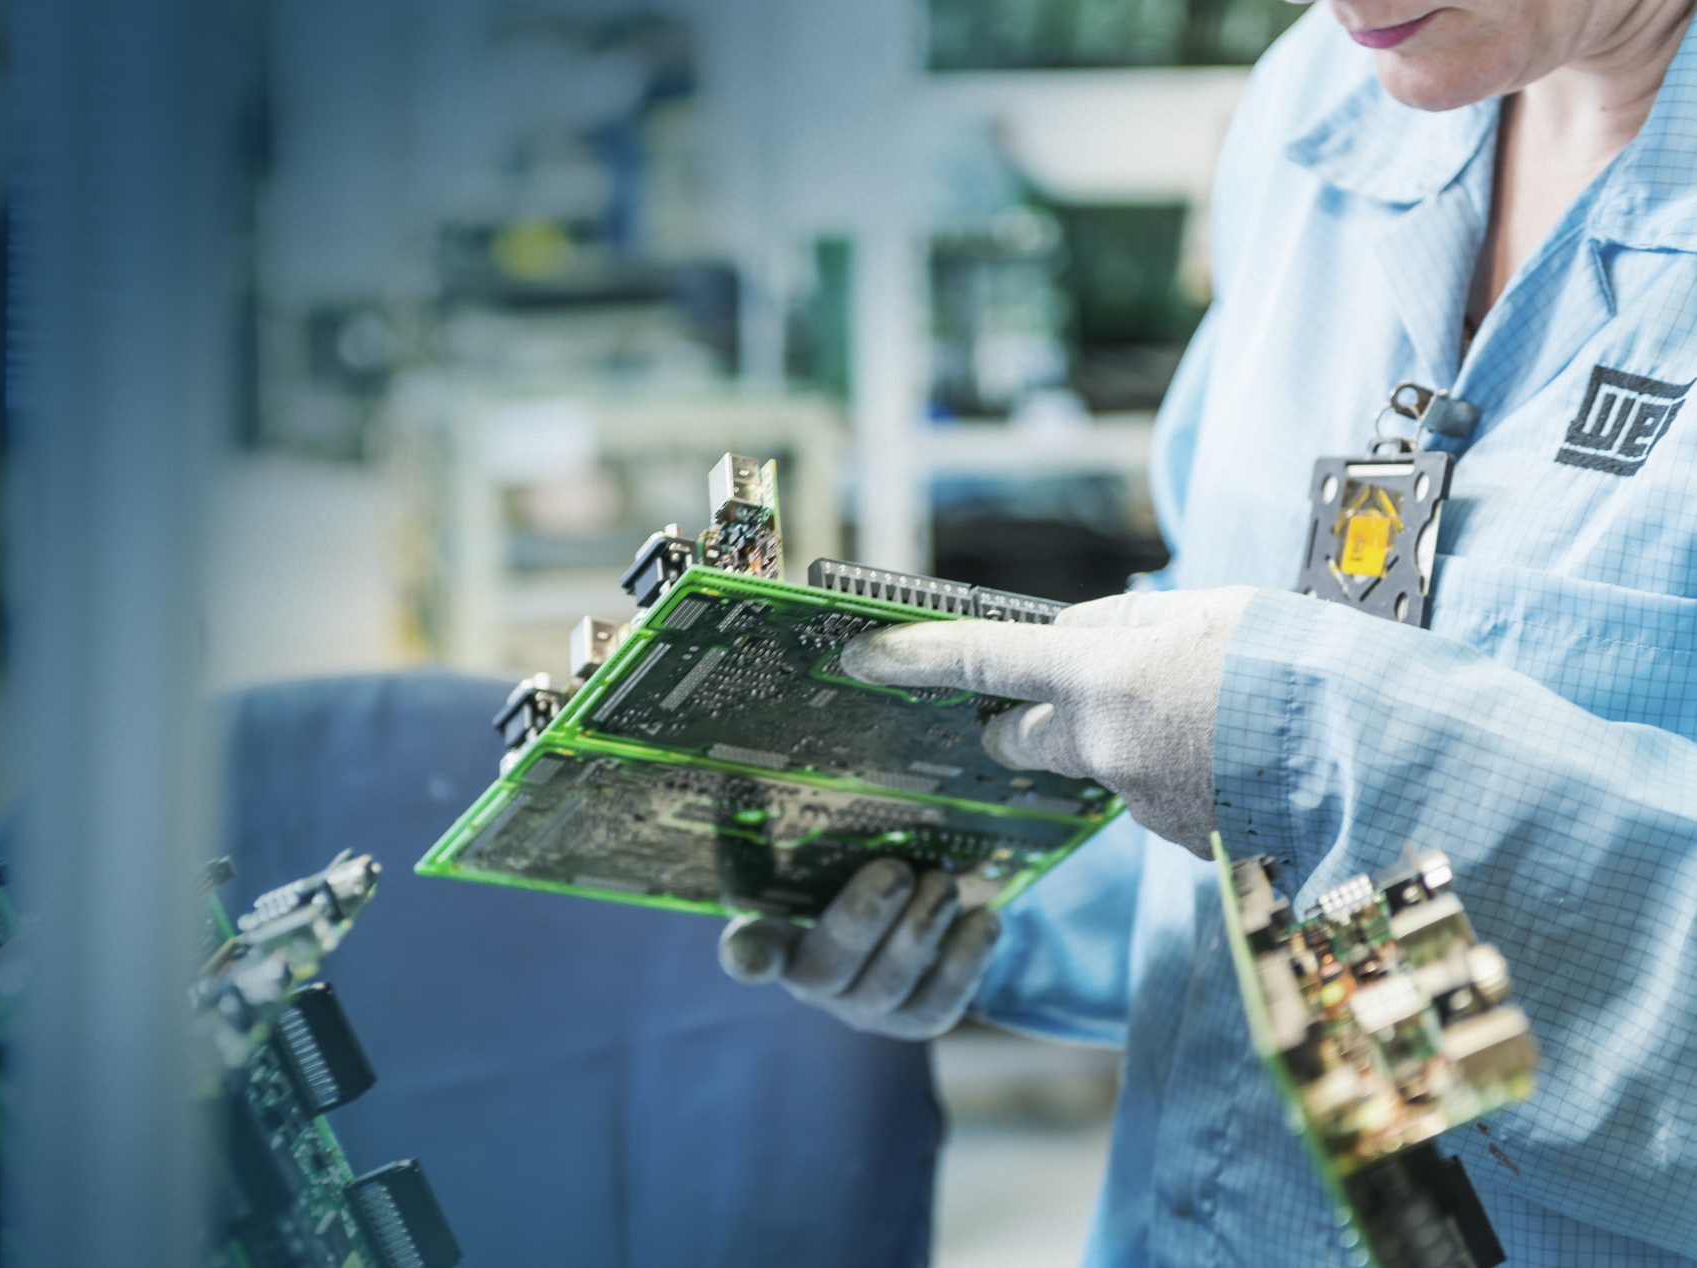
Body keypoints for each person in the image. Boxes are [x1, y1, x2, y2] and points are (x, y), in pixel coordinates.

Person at [718, 1, 1697, 1263]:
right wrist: (983, 885)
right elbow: (1281, 875)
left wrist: (1300, 739)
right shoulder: (1322, 98)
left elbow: (1271, 738)